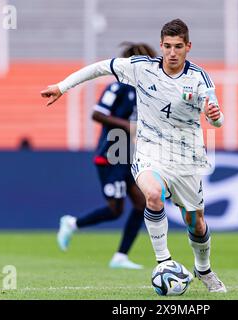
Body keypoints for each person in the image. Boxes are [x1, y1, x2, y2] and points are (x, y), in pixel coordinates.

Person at [41, 19, 227, 292]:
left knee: (196, 224)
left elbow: (217, 119)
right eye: (167, 46)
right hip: (149, 151)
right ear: (161, 46)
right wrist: (62, 86)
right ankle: (163, 261)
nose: (172, 52)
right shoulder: (142, 68)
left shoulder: (199, 78)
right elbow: (100, 67)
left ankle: (204, 269)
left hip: (186, 157)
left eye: (178, 47)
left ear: (188, 47)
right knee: (151, 195)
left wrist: (216, 117)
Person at [55, 42, 158, 270]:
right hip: (111, 155)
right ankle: (72, 223)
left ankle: (120, 256)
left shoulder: (146, 90)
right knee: (115, 210)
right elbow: (97, 114)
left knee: (142, 204)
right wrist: (129, 127)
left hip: (129, 155)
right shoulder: (118, 87)